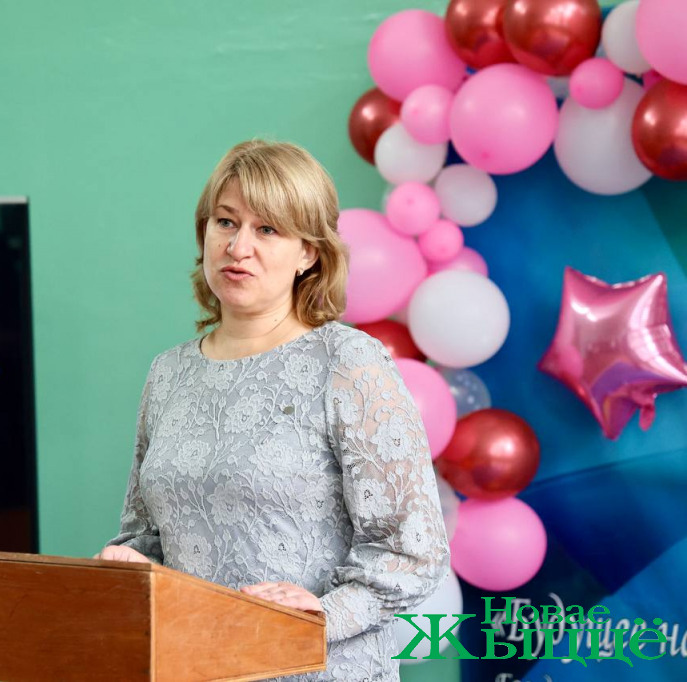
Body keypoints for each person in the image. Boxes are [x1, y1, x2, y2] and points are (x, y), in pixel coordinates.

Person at [94, 140, 450, 681]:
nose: (238, 247)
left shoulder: (348, 363)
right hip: (193, 667)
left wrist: (322, 615)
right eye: (225, 222)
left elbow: (413, 549)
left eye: (267, 229)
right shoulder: (167, 372)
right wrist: (128, 563)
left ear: (309, 253)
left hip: (317, 669)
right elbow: (146, 535)